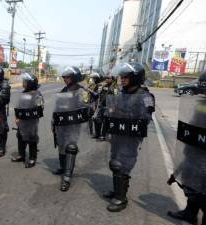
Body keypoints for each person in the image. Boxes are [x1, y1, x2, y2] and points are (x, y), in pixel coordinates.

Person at [102, 62, 155, 212]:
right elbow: (112, 110)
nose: (122, 79)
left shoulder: (146, 96)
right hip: (118, 134)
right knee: (115, 162)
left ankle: (121, 198)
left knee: (122, 164)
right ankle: (117, 190)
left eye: (126, 77)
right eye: (121, 76)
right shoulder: (121, 93)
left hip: (131, 136)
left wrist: (124, 115)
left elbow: (146, 118)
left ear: (135, 78)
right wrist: (107, 113)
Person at [167, 71, 206, 225]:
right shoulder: (201, 104)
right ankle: (190, 213)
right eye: (203, 90)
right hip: (195, 151)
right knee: (192, 183)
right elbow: (194, 123)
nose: (204, 93)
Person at [52, 66, 91, 192]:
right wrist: (53, 122)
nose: (64, 79)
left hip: (74, 123)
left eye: (67, 77)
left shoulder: (81, 90)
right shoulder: (64, 90)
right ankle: (63, 167)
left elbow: (84, 107)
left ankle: (67, 177)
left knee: (70, 147)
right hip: (62, 122)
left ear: (74, 77)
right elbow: (57, 107)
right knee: (61, 144)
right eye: (63, 77)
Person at [12, 73, 44, 168]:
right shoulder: (23, 93)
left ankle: (32, 158)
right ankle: (21, 155)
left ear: (30, 83)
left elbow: (40, 108)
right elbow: (19, 106)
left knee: (32, 138)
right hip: (21, 120)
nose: (23, 83)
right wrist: (17, 117)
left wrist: (32, 112)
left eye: (25, 81)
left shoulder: (37, 94)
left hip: (31, 121)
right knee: (20, 136)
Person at [92, 74, 118, 141]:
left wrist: (113, 107)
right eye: (106, 78)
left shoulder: (114, 87)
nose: (106, 79)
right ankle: (97, 134)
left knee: (106, 121)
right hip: (101, 105)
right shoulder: (103, 85)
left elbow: (116, 98)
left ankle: (103, 136)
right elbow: (99, 95)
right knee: (96, 119)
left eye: (108, 78)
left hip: (109, 106)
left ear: (112, 79)